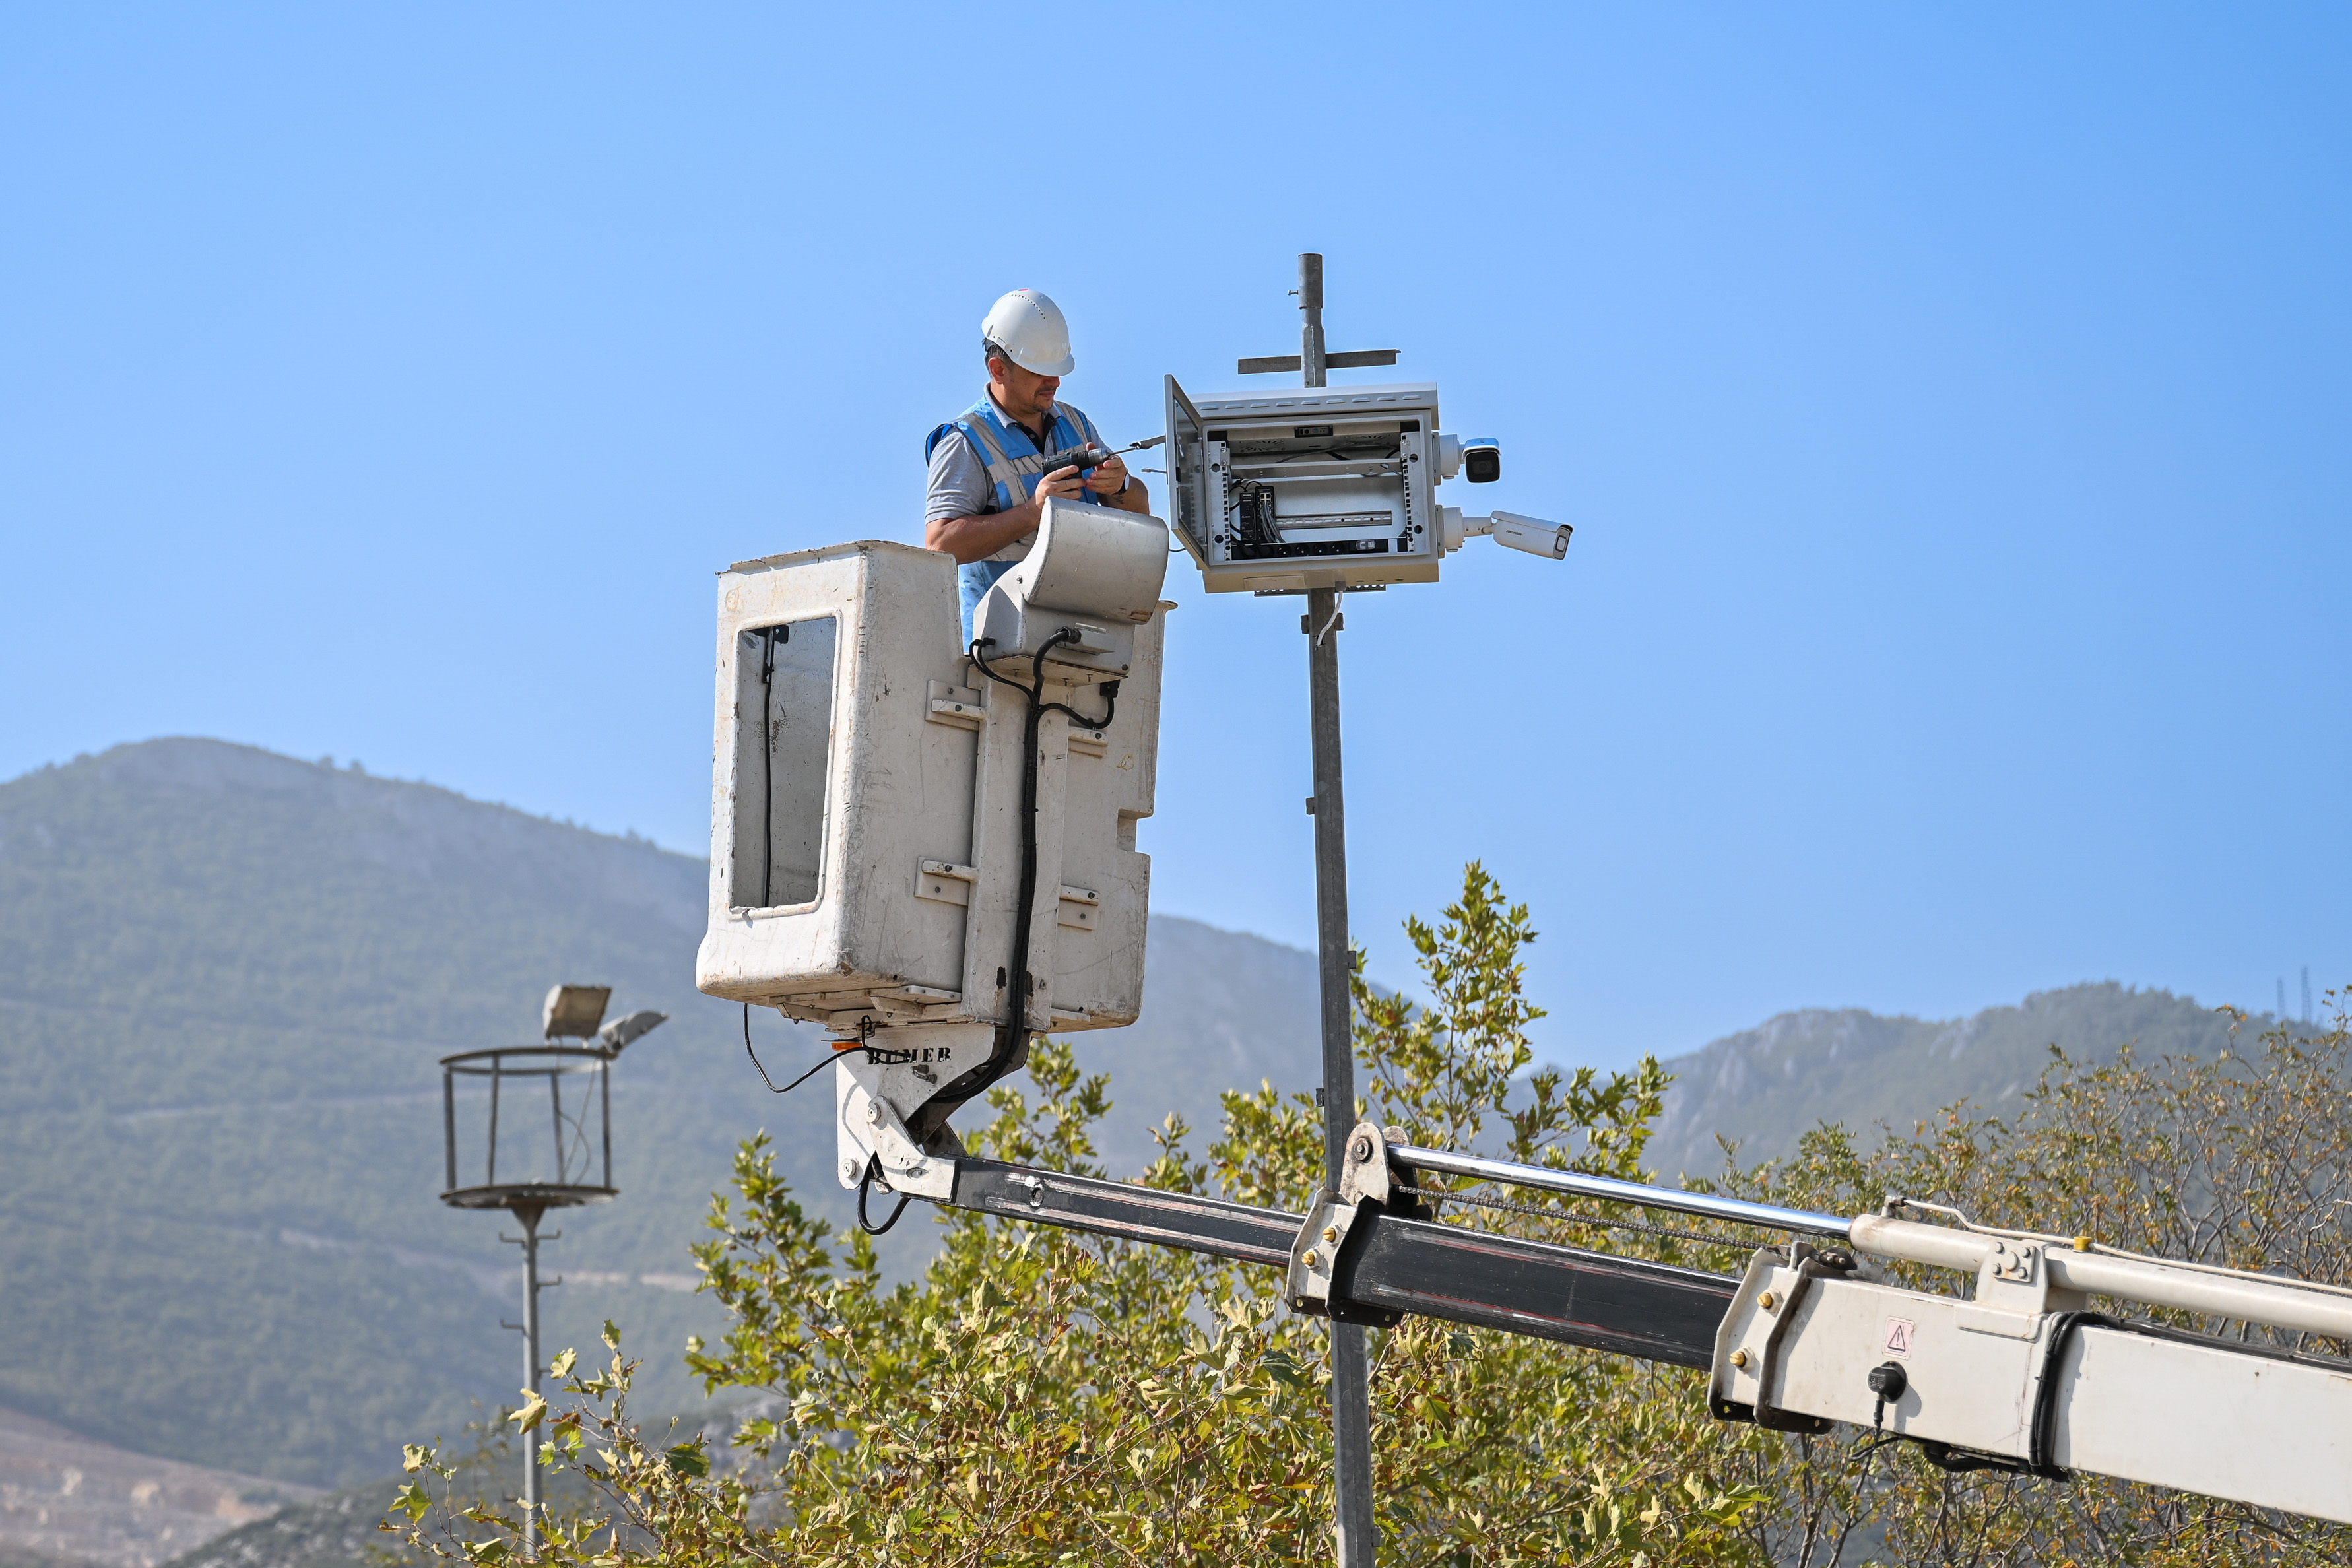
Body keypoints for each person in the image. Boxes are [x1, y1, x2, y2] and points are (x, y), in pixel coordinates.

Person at [925, 288, 1151, 641]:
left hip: (1078, 635)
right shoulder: (966, 441)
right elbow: (940, 545)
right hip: (997, 645)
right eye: (1040, 372)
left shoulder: (1076, 425)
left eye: (1057, 372)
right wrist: (1033, 511)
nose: (1055, 383)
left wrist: (1120, 486)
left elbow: (1138, 515)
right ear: (998, 369)